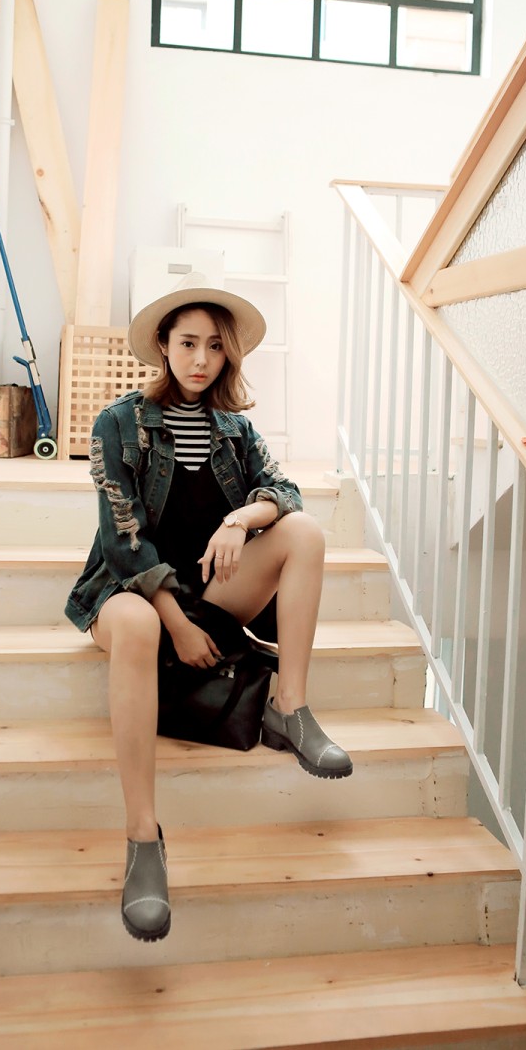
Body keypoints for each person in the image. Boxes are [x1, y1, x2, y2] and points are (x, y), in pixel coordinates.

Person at [65, 274, 352, 944]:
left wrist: (239, 520)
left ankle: (291, 707)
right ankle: (143, 838)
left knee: (304, 533)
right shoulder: (118, 423)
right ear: (163, 345)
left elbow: (285, 491)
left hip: (209, 589)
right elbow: (124, 537)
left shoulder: (234, 429)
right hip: (130, 592)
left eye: (215, 346)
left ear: (229, 355)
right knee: (139, 620)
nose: (201, 358)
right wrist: (177, 623)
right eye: (188, 342)